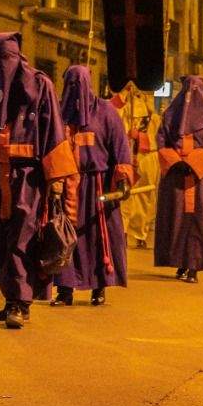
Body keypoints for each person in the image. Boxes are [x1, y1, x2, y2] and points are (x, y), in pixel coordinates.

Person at [0, 31, 78, 329]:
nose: (1, 65)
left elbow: (54, 131)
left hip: (27, 177)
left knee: (22, 235)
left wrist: (56, 180)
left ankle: (20, 302)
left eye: (6, 58)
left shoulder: (40, 85)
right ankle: (10, 296)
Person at [52, 65, 132, 307]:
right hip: (67, 184)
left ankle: (99, 287)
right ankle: (65, 289)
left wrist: (122, 179)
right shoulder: (58, 114)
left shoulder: (106, 112)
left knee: (99, 237)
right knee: (63, 236)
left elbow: (120, 147)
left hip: (98, 185)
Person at [155, 76, 203, 283]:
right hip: (175, 174)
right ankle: (179, 262)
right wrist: (174, 161)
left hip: (197, 177)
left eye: (196, 90)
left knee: (195, 220)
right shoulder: (170, 115)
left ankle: (193, 266)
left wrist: (193, 163)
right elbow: (162, 140)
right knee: (175, 218)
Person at [113, 82, 160, 248]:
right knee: (125, 195)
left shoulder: (154, 118)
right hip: (128, 155)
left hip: (147, 158)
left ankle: (141, 233)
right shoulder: (125, 111)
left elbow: (157, 138)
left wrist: (140, 137)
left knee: (145, 198)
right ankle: (124, 230)